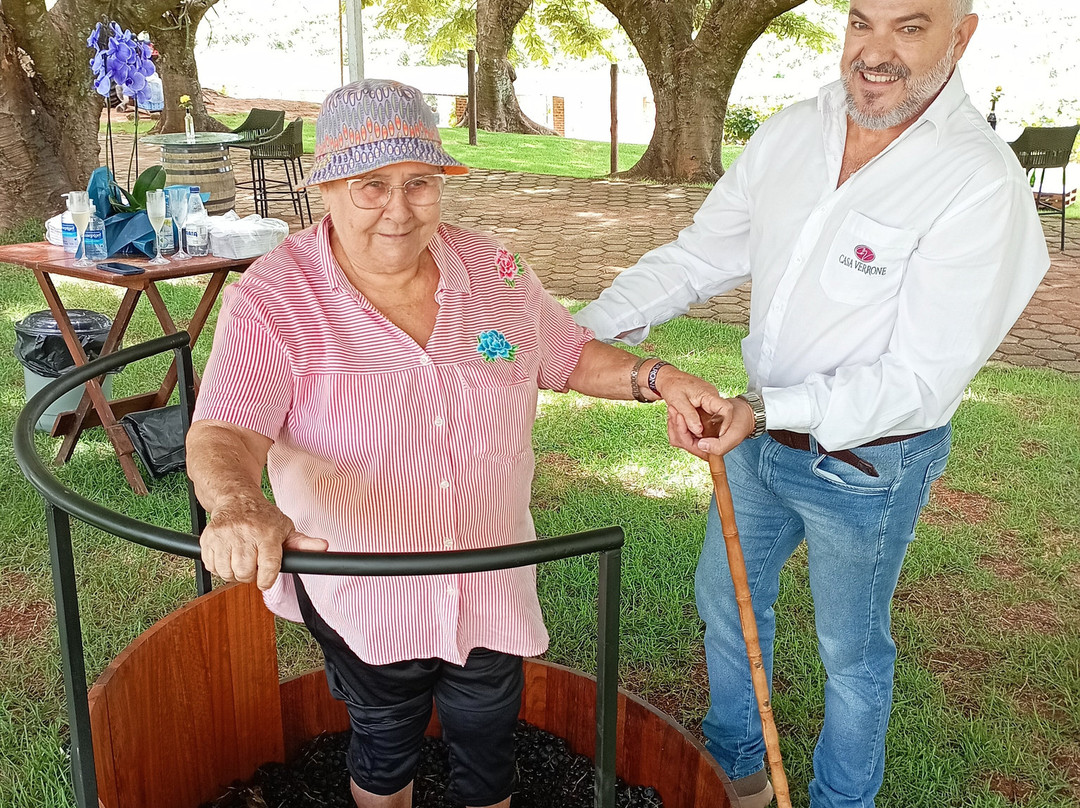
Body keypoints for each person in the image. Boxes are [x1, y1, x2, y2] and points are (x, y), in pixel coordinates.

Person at [186, 78, 724, 808]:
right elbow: (228, 429)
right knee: (384, 740)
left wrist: (658, 377)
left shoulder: (497, 271)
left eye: (420, 183)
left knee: (488, 731)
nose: (400, 210)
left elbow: (565, 355)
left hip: (489, 572)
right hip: (361, 591)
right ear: (327, 190)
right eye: (371, 185)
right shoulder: (273, 298)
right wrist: (236, 503)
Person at [574, 1, 1050, 806]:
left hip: (867, 465)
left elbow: (921, 379)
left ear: (960, 37)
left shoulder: (979, 178)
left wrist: (768, 407)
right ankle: (735, 772)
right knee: (725, 605)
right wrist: (574, 334)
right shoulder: (796, 129)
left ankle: (839, 800)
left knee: (851, 652)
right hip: (755, 440)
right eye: (862, 22)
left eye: (910, 26)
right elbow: (700, 255)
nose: (875, 51)